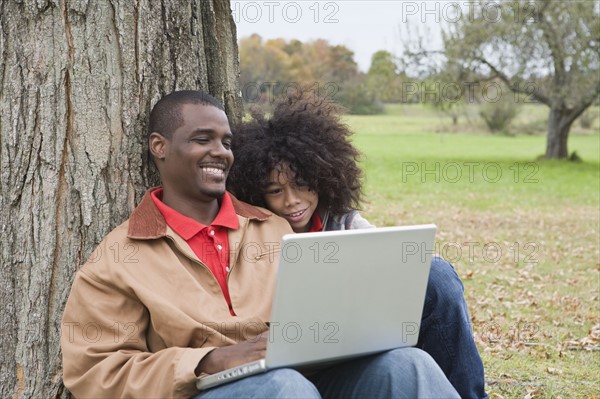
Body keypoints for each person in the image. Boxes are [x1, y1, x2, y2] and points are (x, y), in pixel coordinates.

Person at [60, 90, 460, 399]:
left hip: (303, 380)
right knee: (284, 388)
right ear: (159, 146)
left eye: (226, 142)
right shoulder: (117, 258)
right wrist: (208, 361)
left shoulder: (274, 229)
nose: (220, 152)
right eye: (203, 139)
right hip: (209, 391)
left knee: (409, 365)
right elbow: (95, 372)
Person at [227, 91, 488, 399]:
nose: (291, 200)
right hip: (287, 367)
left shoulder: (342, 221)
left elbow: (386, 263)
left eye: (301, 184)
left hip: (356, 351)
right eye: (275, 190)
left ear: (322, 177)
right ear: (258, 193)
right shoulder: (253, 233)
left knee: (436, 273)